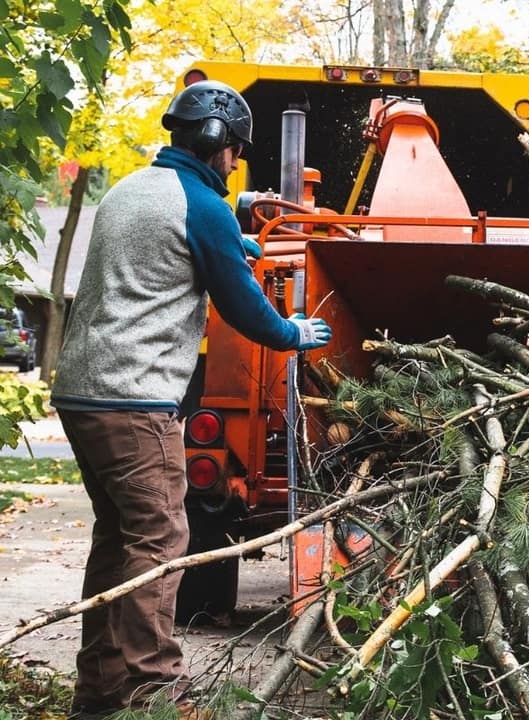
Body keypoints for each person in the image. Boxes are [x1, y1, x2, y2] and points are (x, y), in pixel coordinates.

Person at [52, 80, 332, 720]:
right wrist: (293, 333)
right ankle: (156, 696)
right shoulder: (200, 206)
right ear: (219, 143)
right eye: (235, 150)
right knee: (161, 537)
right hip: (133, 397)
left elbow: (165, 251)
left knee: (119, 539)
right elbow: (243, 310)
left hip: (82, 392)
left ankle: (97, 697)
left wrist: (232, 239)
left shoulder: (132, 189)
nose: (235, 162)